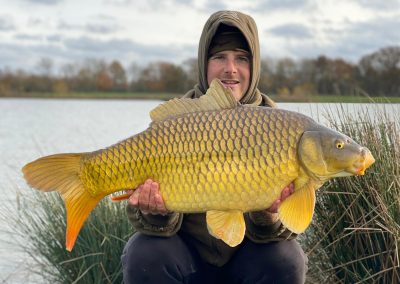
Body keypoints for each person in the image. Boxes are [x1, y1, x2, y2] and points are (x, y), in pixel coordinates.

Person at [121, 10, 308, 284]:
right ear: (203, 63)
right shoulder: (178, 120)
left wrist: (268, 216)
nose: (230, 68)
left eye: (241, 58)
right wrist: (156, 214)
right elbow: (146, 222)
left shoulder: (282, 128)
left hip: (246, 263)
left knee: (287, 258)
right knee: (144, 253)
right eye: (219, 57)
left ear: (254, 66)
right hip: (186, 260)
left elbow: (283, 232)